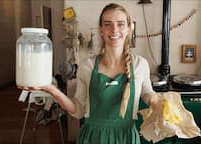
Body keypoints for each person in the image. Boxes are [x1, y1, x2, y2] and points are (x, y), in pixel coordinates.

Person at [20, 3, 157, 144]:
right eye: (107, 24)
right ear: (101, 30)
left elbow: (147, 93)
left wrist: (159, 102)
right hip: (93, 138)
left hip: (126, 137)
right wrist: (52, 90)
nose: (114, 30)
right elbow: (78, 110)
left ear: (128, 28)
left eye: (121, 24)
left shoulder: (140, 65)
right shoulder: (87, 66)